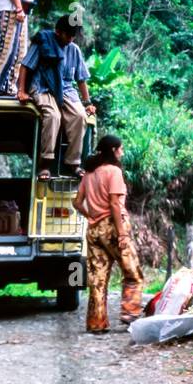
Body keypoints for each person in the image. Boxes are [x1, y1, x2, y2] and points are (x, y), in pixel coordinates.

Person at [73, 135, 143, 333]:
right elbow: (114, 203)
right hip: (113, 227)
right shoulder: (114, 172)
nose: (122, 152)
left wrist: (91, 216)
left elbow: (77, 202)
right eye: (120, 149)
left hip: (94, 230)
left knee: (97, 279)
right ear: (113, 150)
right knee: (133, 272)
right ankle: (130, 313)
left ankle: (96, 323)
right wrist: (121, 234)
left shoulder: (89, 173)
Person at [16, 15, 95, 179]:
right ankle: (45, 163)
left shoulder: (74, 49)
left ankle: (73, 162)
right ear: (58, 32)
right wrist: (21, 91)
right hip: (43, 85)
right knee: (53, 116)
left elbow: (81, 79)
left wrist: (87, 103)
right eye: (68, 35)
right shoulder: (43, 42)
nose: (70, 39)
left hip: (66, 88)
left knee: (80, 116)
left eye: (73, 36)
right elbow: (25, 66)